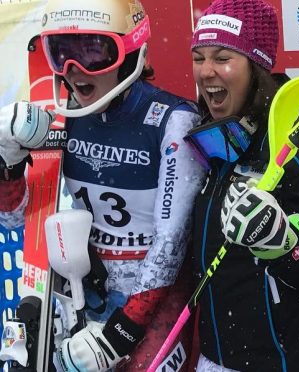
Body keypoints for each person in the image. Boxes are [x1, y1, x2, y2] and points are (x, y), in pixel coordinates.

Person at [0, 0, 205, 370]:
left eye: (94, 51)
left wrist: (118, 335)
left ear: (129, 52)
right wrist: (8, 165)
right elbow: (16, 220)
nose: (74, 69)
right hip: (85, 291)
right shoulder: (64, 116)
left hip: (153, 298)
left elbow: (170, 245)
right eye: (60, 52)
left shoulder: (174, 120)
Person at [186, 0, 299, 371]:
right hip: (217, 354)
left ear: (256, 66)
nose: (207, 71)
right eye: (199, 57)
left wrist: (281, 243)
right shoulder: (214, 127)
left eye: (223, 57)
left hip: (283, 360)